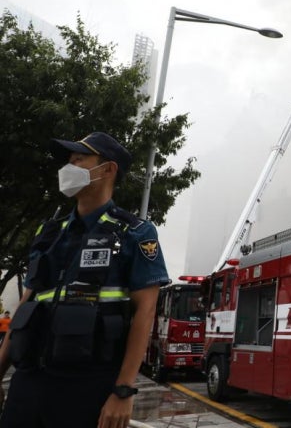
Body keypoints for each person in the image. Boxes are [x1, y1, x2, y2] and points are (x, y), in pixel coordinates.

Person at [0, 132, 171, 428]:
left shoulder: (134, 233)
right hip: (27, 384)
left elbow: (146, 312)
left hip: (86, 387)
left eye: (80, 159)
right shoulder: (50, 232)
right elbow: (26, 306)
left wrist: (123, 390)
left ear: (108, 169)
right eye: (70, 159)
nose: (70, 166)